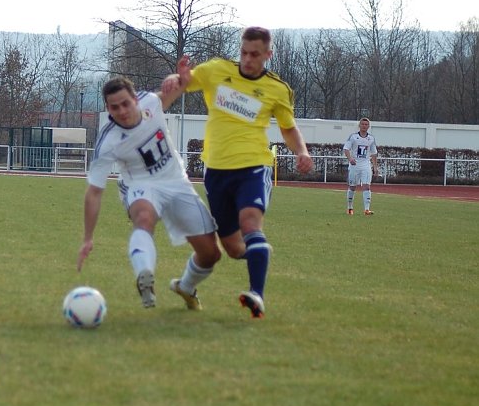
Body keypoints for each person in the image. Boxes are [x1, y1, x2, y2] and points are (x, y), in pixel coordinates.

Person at [162, 26, 314, 318]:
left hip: (254, 166)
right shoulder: (217, 70)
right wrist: (175, 77)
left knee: (250, 222)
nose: (247, 59)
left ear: (268, 54)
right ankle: (245, 260)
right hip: (217, 172)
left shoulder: (277, 89)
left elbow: (288, 128)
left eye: (255, 54)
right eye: (244, 52)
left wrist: (302, 151)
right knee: (232, 248)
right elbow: (185, 81)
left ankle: (256, 294)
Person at [77, 76, 221, 311]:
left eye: (126, 103)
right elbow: (94, 192)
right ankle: (144, 274)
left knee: (210, 253)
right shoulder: (108, 141)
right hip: (139, 184)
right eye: (114, 107)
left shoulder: (151, 102)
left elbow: (177, 88)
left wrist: (179, 77)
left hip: (175, 181)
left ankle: (185, 286)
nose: (122, 111)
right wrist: (87, 238)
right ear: (107, 108)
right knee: (144, 218)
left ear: (136, 99)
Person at [343, 117, 379, 215]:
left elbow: (374, 153)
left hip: (365, 165)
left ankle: (367, 209)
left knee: (367, 186)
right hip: (354, 165)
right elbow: (346, 149)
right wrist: (350, 159)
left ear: (368, 126)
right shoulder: (353, 137)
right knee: (352, 187)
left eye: (366, 124)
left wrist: (375, 167)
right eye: (362, 124)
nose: (364, 126)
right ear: (359, 125)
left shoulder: (371, 138)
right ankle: (350, 208)